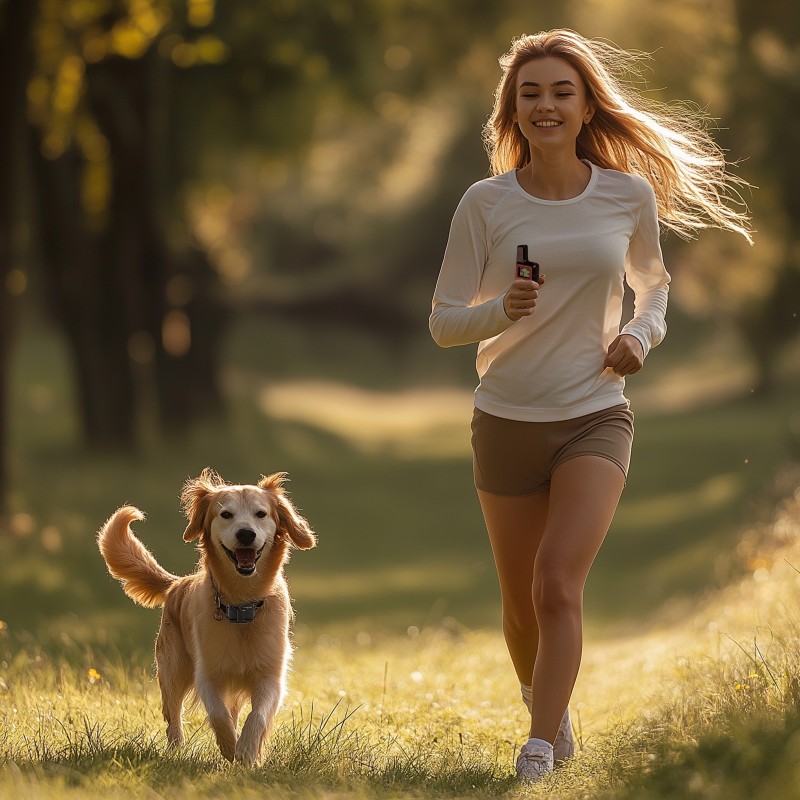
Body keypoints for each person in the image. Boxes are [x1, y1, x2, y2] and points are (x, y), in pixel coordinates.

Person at [429, 29, 752, 784]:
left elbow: (655, 287)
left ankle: (540, 748)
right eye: (530, 92)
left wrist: (641, 334)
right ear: (513, 108)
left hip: (595, 414)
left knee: (556, 583)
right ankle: (548, 702)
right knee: (519, 610)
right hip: (506, 417)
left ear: (585, 106)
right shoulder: (486, 203)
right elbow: (444, 320)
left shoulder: (626, 194)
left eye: (561, 92)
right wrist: (500, 312)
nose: (545, 104)